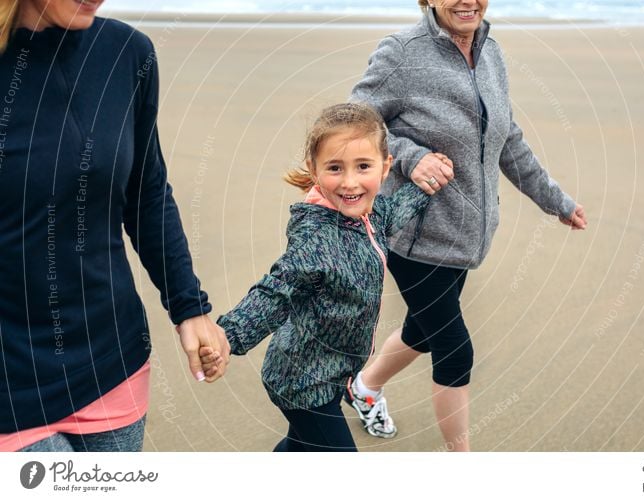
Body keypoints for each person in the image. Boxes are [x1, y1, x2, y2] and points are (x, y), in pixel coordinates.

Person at [347, 0, 588, 451]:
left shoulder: (491, 52)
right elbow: (355, 124)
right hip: (412, 237)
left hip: (466, 236)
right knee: (455, 348)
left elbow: (507, 139)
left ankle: (363, 387)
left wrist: (556, 201)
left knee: (424, 328)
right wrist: (412, 157)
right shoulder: (401, 52)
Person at [0, 0, 229, 452]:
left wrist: (188, 306)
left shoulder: (126, 53)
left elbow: (146, 192)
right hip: (11, 382)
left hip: (112, 361)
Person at [216, 103, 431, 452]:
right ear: (314, 170)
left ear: (385, 167)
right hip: (303, 383)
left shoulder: (369, 214)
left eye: (363, 167)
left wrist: (426, 184)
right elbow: (277, 290)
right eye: (334, 168)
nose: (349, 182)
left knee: (301, 447)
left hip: (333, 373)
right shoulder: (318, 240)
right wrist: (228, 336)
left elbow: (392, 213)